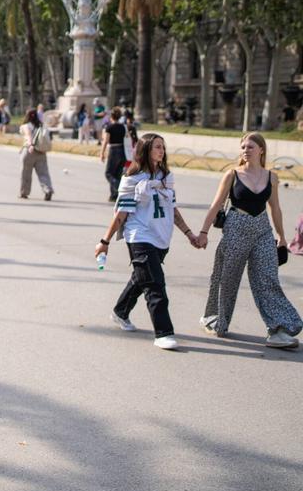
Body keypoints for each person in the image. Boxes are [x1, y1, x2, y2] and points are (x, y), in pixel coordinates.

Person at [195, 133, 302, 348]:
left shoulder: (271, 177)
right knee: (227, 279)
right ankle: (216, 320)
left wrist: (281, 237)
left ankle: (278, 329)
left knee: (267, 278)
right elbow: (216, 205)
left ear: (261, 150)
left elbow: (275, 208)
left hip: (262, 230)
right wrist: (203, 232)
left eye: (250, 146)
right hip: (236, 228)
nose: (245, 150)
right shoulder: (232, 175)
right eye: (243, 146)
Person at [95, 134, 198, 350]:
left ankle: (120, 312)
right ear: (145, 150)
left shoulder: (166, 177)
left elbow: (173, 209)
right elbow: (121, 214)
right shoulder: (132, 179)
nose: (161, 151)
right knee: (154, 284)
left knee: (141, 278)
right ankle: (163, 333)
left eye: (163, 147)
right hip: (139, 236)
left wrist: (189, 234)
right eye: (157, 147)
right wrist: (104, 241)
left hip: (161, 237)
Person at [18, 108, 53, 201]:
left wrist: (31, 145)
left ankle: (24, 192)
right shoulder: (41, 126)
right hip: (41, 152)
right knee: (43, 173)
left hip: (29, 151)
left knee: (26, 174)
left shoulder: (25, 126)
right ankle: (47, 190)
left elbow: (28, 135)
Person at [102, 108, 127, 202]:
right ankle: (114, 195)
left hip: (113, 150)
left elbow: (106, 141)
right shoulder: (123, 127)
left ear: (111, 116)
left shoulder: (109, 127)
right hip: (122, 150)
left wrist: (102, 153)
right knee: (117, 174)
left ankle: (118, 187)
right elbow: (127, 138)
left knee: (108, 173)